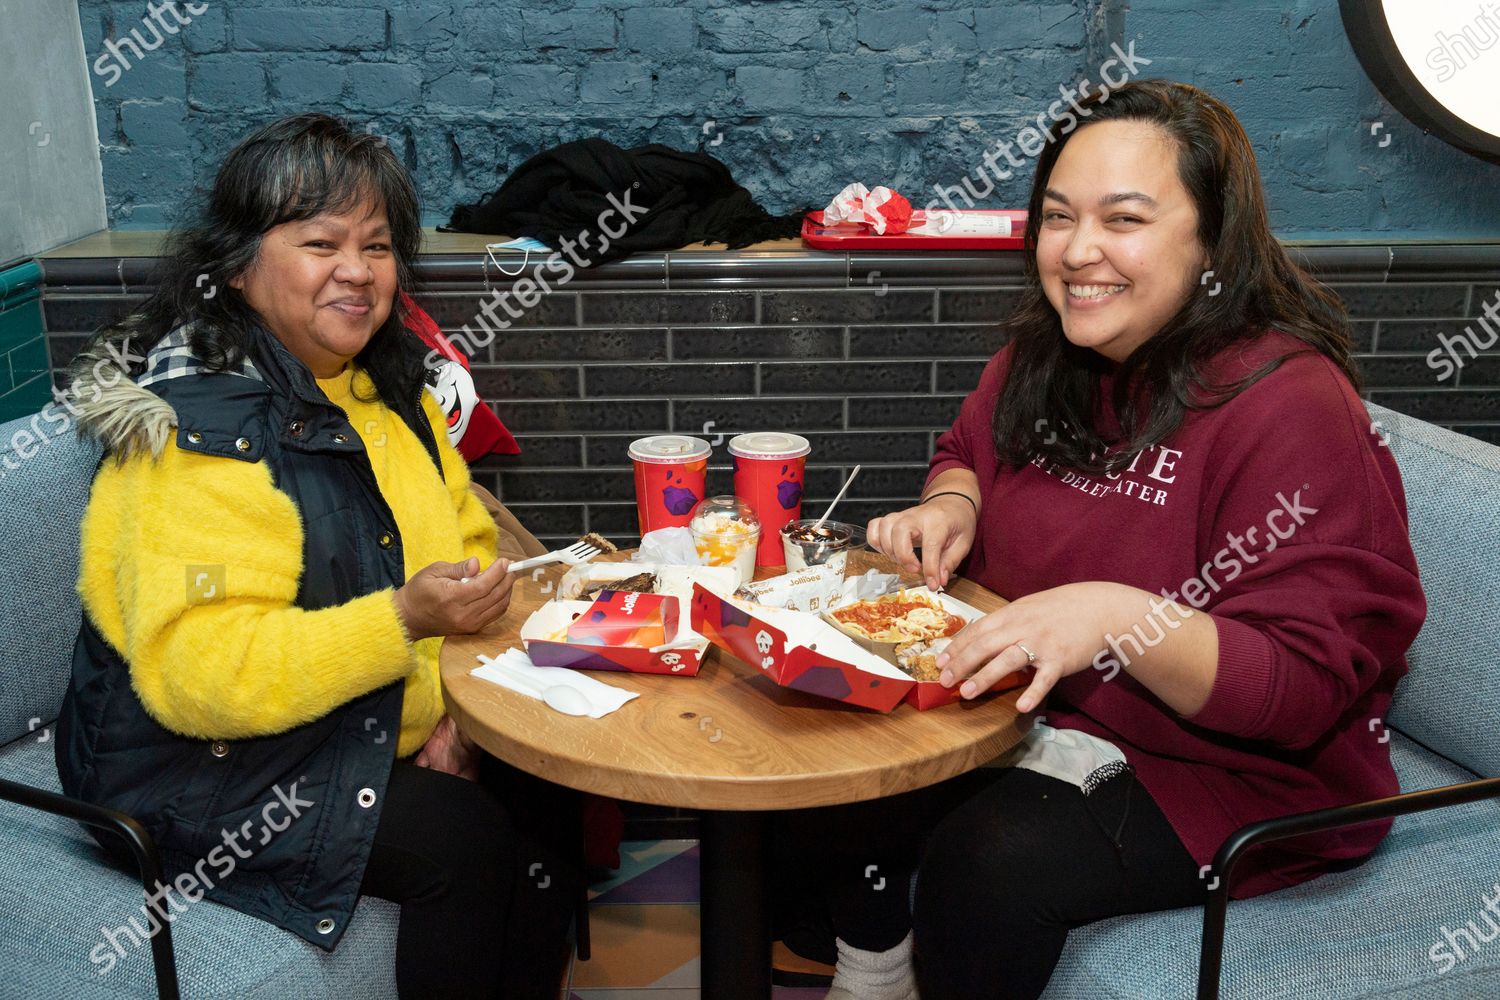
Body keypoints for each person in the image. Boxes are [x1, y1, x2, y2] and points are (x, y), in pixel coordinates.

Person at [788, 79, 1426, 1000]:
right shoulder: (1051, 351)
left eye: (1123, 219)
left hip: (1238, 777)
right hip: (1052, 718)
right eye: (1056, 217)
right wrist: (955, 505)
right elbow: (966, 447)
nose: (1079, 252)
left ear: (1213, 239)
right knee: (824, 772)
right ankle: (872, 971)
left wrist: (1116, 618)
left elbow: (1301, 688)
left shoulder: (1289, 404)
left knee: (990, 861)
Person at [54, 113, 578, 999]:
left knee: (549, 782)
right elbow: (201, 676)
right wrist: (407, 620)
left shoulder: (388, 389)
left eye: (377, 245)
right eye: (320, 241)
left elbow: (472, 546)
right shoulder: (198, 438)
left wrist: (461, 714)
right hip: (194, 765)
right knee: (462, 840)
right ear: (237, 265)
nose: (358, 271)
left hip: (341, 720)